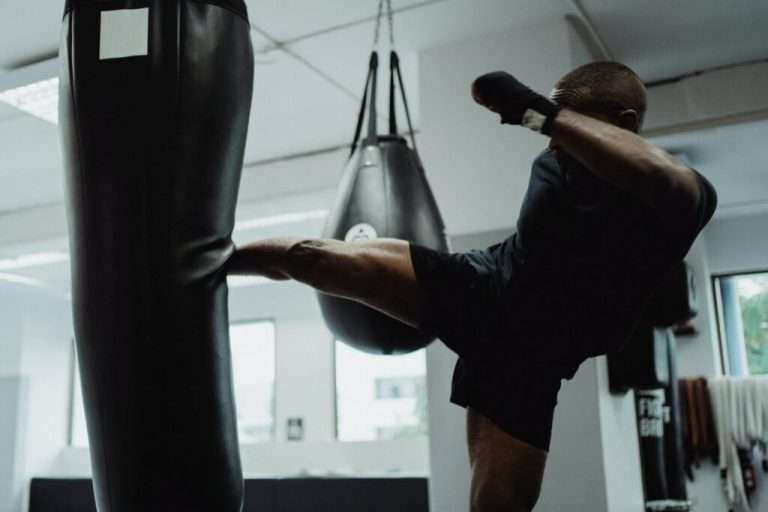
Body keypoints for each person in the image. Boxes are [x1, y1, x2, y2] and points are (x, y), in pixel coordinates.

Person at [228, 61, 717, 512]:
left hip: (532, 360)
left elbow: (661, 176)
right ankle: (205, 263)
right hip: (481, 283)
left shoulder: (679, 201)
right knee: (311, 258)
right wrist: (550, 124)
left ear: (626, 123)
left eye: (569, 123)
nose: (552, 143)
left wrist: (544, 115)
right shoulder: (556, 161)